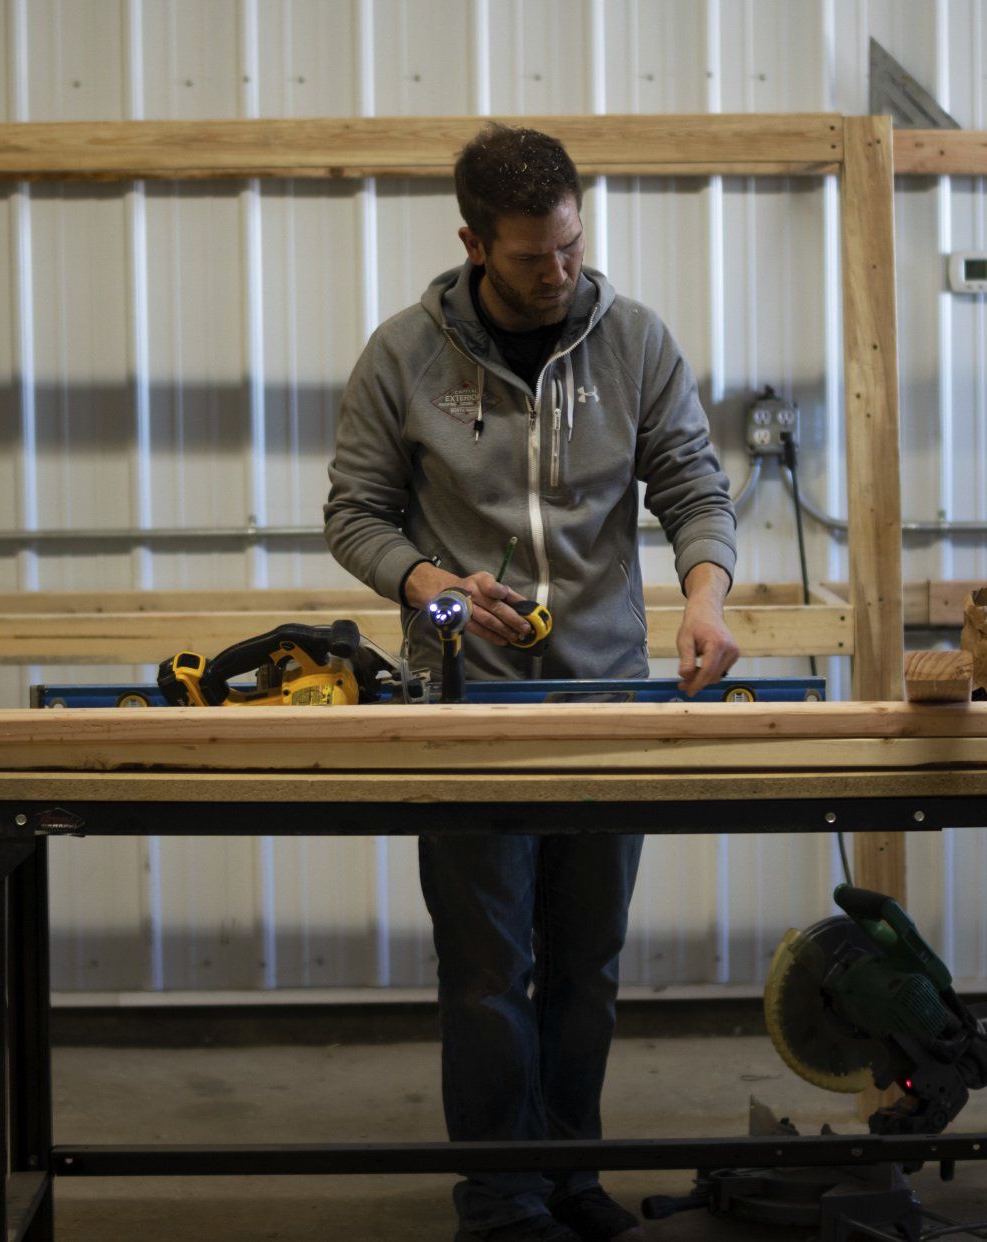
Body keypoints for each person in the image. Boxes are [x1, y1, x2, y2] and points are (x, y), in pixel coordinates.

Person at [325, 123, 741, 1242]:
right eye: (528, 258)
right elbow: (354, 517)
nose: (557, 274)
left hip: (610, 702)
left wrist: (705, 598)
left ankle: (569, 1173)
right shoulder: (402, 357)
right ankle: (501, 1195)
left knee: (588, 965)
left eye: (568, 248)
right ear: (472, 242)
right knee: (486, 969)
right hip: (465, 710)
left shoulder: (636, 343)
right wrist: (431, 587)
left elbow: (695, 489)